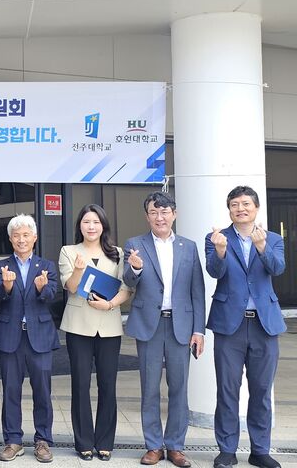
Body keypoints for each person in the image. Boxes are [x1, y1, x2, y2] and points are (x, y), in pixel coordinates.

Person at [123, 192, 206, 467]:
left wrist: (199, 330)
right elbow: (129, 281)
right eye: (154, 212)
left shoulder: (188, 246)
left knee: (179, 388)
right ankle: (153, 446)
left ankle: (175, 446)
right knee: (149, 388)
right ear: (147, 216)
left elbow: (197, 291)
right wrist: (135, 269)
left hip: (181, 324)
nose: (160, 217)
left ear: (174, 214)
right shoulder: (135, 245)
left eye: (165, 212)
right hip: (150, 324)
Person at [206, 186, 286, 468]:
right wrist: (219, 252)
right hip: (230, 325)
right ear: (229, 209)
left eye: (246, 204)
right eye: (235, 205)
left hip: (264, 325)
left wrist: (262, 248)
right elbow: (215, 272)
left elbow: (277, 269)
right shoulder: (217, 238)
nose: (240, 209)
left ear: (256, 208)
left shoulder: (273, 238)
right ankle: (227, 450)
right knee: (227, 390)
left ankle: (260, 450)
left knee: (262, 391)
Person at [58, 203, 131, 461]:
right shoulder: (68, 251)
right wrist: (79, 269)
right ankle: (84, 442)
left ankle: (105, 442)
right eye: (86, 222)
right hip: (78, 326)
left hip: (109, 326)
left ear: (103, 226)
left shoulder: (118, 253)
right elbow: (70, 287)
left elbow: (127, 288)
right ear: (80, 225)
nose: (91, 226)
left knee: (107, 385)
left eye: (96, 222)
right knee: (80, 384)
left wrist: (110, 304)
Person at [0, 214, 58, 463]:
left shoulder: (46, 266)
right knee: (11, 391)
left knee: (42, 391)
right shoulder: (1, 266)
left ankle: (43, 440)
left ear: (35, 237)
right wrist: (7, 287)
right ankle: (13, 441)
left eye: (26, 235)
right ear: (10, 239)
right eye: (16, 235)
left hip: (40, 336)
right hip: (11, 336)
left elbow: (51, 295)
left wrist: (42, 288)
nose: (21, 239)